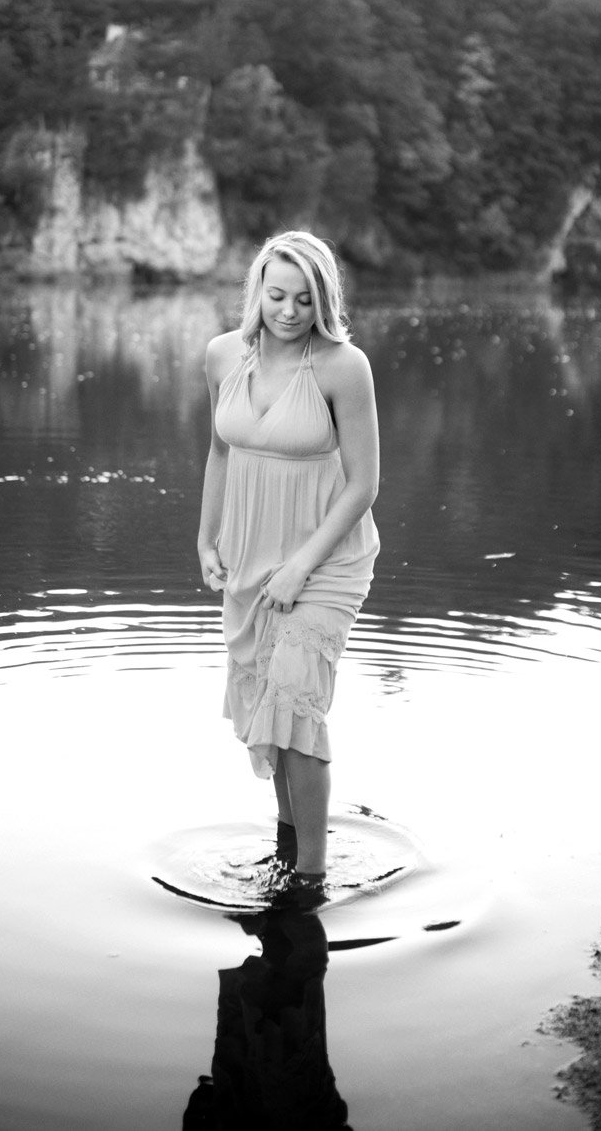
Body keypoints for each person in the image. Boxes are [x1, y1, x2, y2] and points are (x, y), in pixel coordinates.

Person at [198, 231, 380, 897]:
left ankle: (309, 881)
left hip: (328, 557)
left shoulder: (342, 366)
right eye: (276, 295)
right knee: (266, 701)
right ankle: (286, 834)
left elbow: (362, 484)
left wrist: (303, 566)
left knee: (296, 703)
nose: (288, 310)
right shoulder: (222, 356)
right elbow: (220, 453)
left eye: (305, 299)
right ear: (256, 292)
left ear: (323, 299)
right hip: (250, 555)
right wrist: (204, 538)